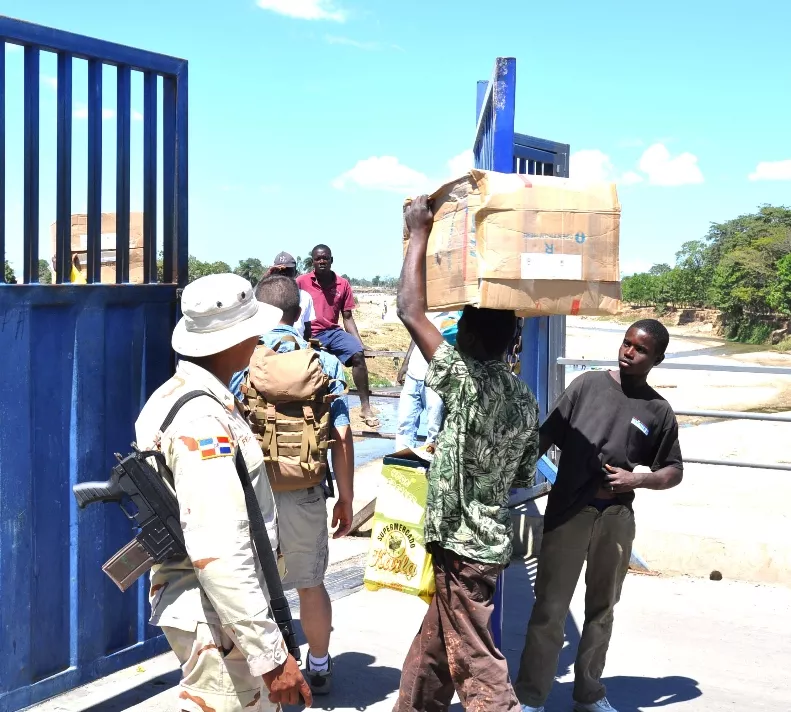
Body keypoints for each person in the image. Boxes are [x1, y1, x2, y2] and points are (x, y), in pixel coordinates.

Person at [134, 273, 313, 712]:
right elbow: (220, 549)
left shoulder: (178, 396)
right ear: (230, 338)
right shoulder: (203, 422)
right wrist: (270, 657)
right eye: (251, 327)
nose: (257, 335)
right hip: (217, 616)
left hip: (215, 610)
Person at [393, 195, 540, 712]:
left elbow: (409, 310)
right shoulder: (524, 399)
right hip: (485, 541)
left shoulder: (465, 379)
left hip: (462, 543)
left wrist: (417, 233)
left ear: (471, 338)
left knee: (477, 662)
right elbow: (525, 470)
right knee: (434, 649)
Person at [515, 319, 684, 712]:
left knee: (602, 609)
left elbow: (673, 469)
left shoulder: (658, 410)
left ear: (656, 358)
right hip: (570, 511)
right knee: (550, 608)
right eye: (626, 343)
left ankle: (588, 693)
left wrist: (636, 478)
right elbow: (545, 435)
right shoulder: (587, 385)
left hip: (616, 519)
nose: (628, 352)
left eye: (640, 349)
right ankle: (530, 697)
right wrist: (512, 477)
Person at [230, 275, 355, 697]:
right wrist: (348, 498)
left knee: (255, 585)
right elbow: (342, 436)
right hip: (305, 489)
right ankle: (317, 667)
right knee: (311, 581)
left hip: (255, 491)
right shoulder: (324, 364)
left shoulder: (243, 363)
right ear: (299, 311)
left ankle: (265, 671)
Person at [296, 245, 379, 427]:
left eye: (325, 258)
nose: (322, 261)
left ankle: (365, 407)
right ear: (313, 262)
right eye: (318, 258)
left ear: (331, 260)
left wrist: (359, 342)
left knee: (357, 353)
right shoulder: (301, 282)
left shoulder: (342, 284)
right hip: (308, 332)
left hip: (333, 332)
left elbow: (347, 317)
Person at [395, 311, 461, 453]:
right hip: (413, 375)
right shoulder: (424, 311)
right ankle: (402, 463)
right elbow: (415, 337)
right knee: (404, 423)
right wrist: (405, 363)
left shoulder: (455, 315)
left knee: (434, 429)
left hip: (436, 380)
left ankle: (430, 469)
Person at [267, 251, 315, 338]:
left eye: (287, 270)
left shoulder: (304, 296)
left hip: (297, 347)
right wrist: (266, 277)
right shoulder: (265, 294)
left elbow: (308, 330)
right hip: (268, 347)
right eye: (279, 270)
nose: (283, 274)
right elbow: (252, 298)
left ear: (295, 273)